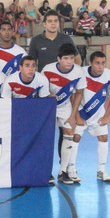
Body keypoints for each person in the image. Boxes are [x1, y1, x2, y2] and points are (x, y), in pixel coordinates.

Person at [42, 43, 86, 185]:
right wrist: (48, 96)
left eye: (72, 58)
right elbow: (40, 90)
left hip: (65, 106)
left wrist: (73, 115)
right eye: (66, 58)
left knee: (69, 133)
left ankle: (63, 171)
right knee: (46, 137)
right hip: (48, 106)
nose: (69, 61)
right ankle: (45, 171)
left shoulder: (78, 72)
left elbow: (79, 93)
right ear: (59, 59)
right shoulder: (47, 70)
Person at [72, 51, 110, 183]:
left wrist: (106, 117)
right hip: (81, 113)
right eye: (97, 63)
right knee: (75, 138)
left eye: (103, 63)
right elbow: (73, 94)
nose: (100, 66)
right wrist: (76, 115)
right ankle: (71, 169)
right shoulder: (81, 73)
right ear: (90, 63)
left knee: (103, 138)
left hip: (98, 115)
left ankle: (102, 170)